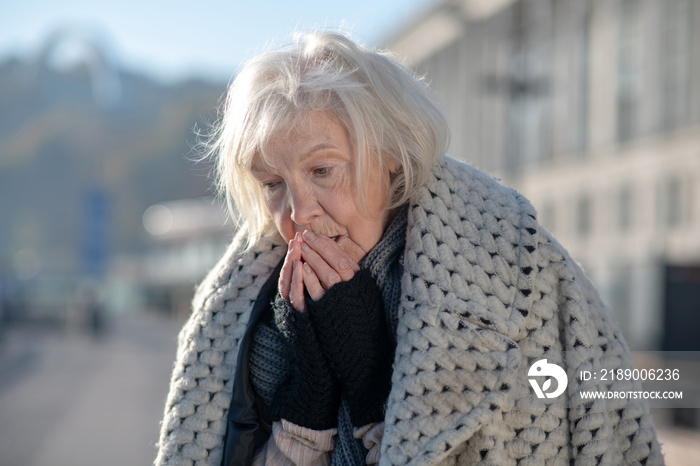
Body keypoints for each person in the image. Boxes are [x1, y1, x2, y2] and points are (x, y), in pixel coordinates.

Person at [156, 31, 664, 465]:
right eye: (273, 183)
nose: (298, 211)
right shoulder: (241, 311)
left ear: (392, 156)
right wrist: (306, 404)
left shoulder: (517, 275)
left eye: (322, 170)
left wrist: (374, 380)